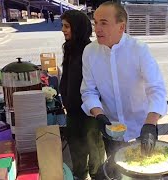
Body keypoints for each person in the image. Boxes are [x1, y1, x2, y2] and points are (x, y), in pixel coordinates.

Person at [80, 2, 167, 178]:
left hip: (143, 127)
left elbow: (156, 88)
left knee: (147, 170)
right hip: (111, 128)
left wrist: (150, 124)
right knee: (120, 172)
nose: (97, 28)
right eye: (95, 22)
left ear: (121, 26)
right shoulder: (90, 52)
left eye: (104, 23)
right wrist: (99, 116)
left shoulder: (139, 49)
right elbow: (88, 91)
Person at [59, 10, 105, 180]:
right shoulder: (69, 48)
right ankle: (79, 175)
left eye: (67, 26)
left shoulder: (91, 49)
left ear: (77, 28)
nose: (63, 30)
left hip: (90, 111)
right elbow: (67, 77)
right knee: (75, 147)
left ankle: (97, 175)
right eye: (62, 26)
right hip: (72, 109)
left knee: (94, 148)